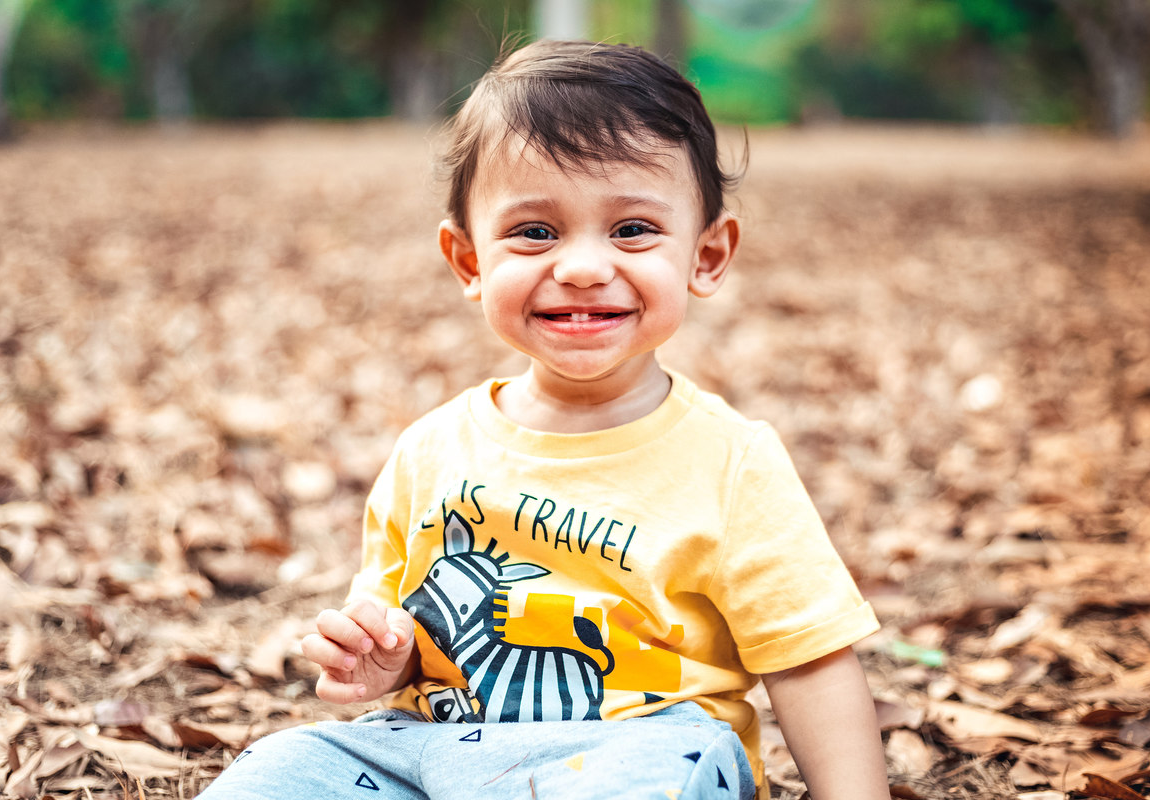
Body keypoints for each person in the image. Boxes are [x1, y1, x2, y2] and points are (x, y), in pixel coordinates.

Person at [198, 40, 890, 800]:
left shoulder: (732, 464)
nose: (583, 267)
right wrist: (380, 658)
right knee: (282, 769)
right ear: (469, 261)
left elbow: (809, 663)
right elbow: (407, 637)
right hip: (431, 747)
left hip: (635, 749)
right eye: (535, 231)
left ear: (707, 255)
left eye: (632, 229)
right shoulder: (431, 451)